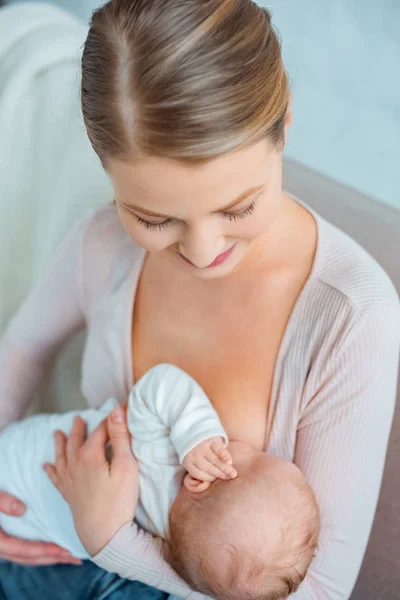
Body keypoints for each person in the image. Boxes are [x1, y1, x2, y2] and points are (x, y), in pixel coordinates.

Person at [0, 0, 399, 598]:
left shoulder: (351, 313)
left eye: (237, 207)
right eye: (154, 218)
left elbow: (320, 591)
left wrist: (113, 541)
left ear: (285, 120)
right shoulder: (102, 244)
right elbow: (24, 348)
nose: (204, 249)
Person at [0, 363, 319, 599]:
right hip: (32, 528)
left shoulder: (161, 458)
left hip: (23, 464)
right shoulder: (174, 545)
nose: (256, 448)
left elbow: (159, 385)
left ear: (199, 480)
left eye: (257, 458)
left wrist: (196, 434)